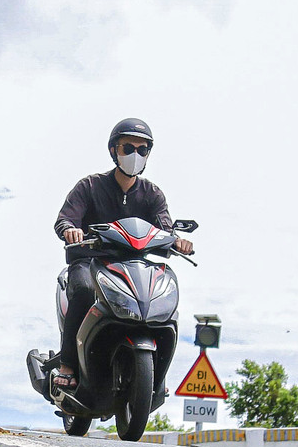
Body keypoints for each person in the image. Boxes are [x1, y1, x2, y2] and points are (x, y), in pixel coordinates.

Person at [51, 117, 193, 391]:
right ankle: (68, 363)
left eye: (142, 150)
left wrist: (178, 242)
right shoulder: (89, 186)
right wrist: (70, 229)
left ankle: (157, 377)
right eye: (128, 148)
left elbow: (165, 229)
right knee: (81, 290)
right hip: (90, 262)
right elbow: (65, 219)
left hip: (135, 266)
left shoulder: (152, 194)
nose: (135, 155)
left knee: (164, 297)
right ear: (114, 151)